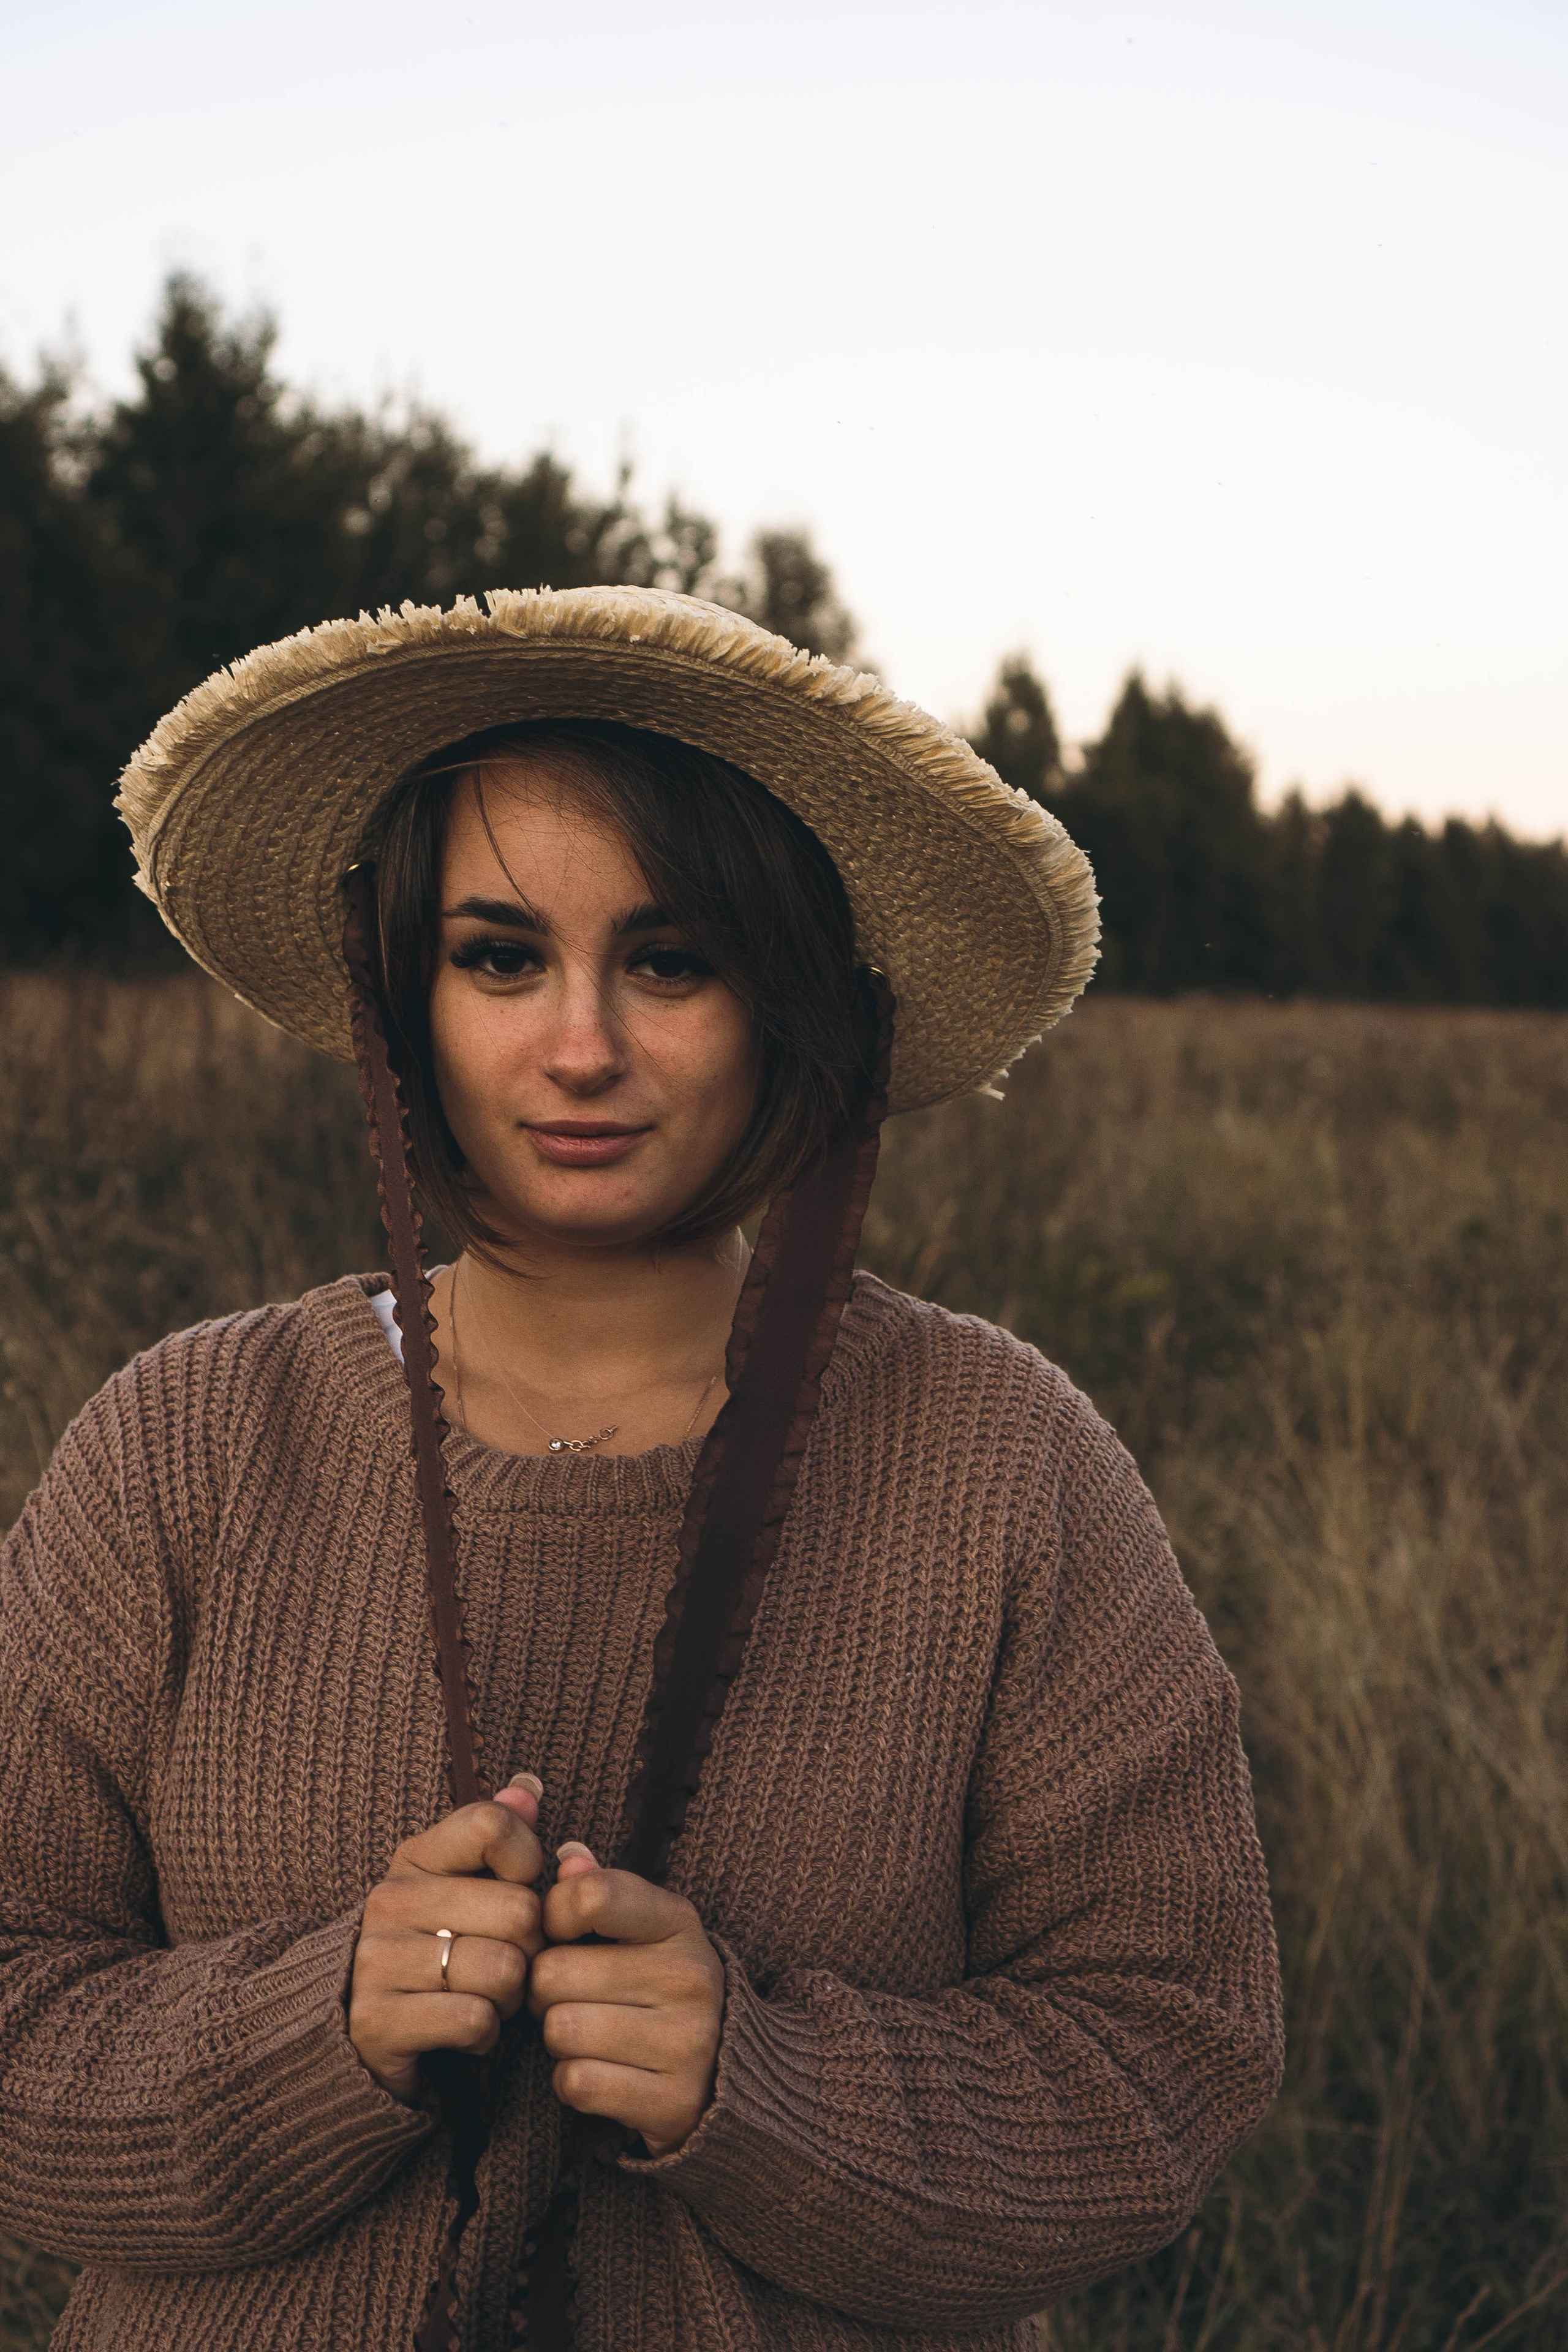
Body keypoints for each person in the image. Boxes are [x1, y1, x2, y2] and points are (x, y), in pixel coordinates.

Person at [0, 587, 1283, 2352]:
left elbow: (1165, 2059)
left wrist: (767, 2086)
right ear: (403, 997)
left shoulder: (1002, 1461)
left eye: (671, 961)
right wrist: (319, 2028)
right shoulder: (184, 1446)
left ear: (790, 1002)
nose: (583, 1045)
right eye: (499, 957)